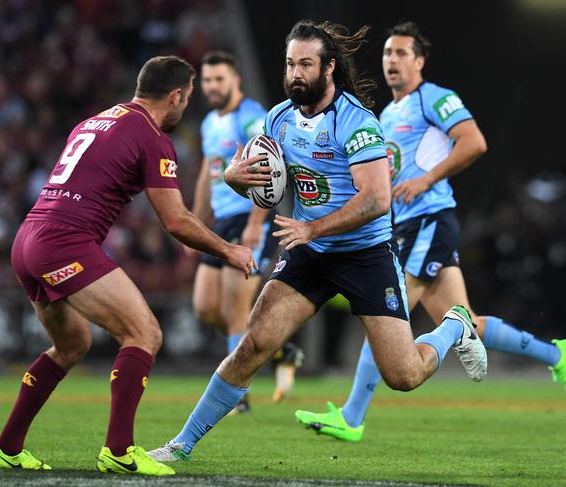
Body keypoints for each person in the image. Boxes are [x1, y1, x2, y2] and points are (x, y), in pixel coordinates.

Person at [147, 20, 487, 463]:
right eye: (290, 63)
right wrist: (233, 179)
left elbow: (377, 200)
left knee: (403, 376)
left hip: (365, 254)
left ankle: (456, 325)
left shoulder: (356, 121)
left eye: (305, 64)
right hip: (310, 255)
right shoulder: (277, 120)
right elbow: (262, 184)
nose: (295, 73)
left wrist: (311, 227)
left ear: (328, 68)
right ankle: (181, 445)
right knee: (253, 345)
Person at [0, 55, 260, 476]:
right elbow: (175, 220)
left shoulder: (94, 121)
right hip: (64, 242)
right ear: (176, 95)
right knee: (144, 333)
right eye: (186, 98)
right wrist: (230, 250)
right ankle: (119, 450)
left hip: (28, 239)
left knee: (72, 344)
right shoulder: (151, 135)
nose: (185, 107)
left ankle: (6, 446)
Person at [294, 20, 566, 443]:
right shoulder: (387, 113)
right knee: (467, 322)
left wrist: (426, 180)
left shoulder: (433, 99)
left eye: (402, 53)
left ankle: (351, 417)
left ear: (419, 61)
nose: (392, 61)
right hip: (412, 225)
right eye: (387, 53)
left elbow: (474, 142)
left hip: (430, 220)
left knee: (385, 313)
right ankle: (558, 354)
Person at [191, 50, 304, 411]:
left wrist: (257, 222)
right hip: (222, 221)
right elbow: (207, 175)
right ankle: (280, 349)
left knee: (235, 309)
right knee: (206, 308)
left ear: (235, 80)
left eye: (218, 79)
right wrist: (194, 222)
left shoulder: (253, 117)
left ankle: (236, 396)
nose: (212, 86)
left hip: (247, 218)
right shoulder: (210, 122)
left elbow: (267, 170)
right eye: (207, 80)